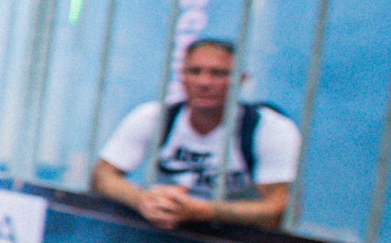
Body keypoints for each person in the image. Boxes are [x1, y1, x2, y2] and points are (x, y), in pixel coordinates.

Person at [91, 37, 300, 229]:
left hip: (235, 242)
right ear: (181, 75)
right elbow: (102, 176)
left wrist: (203, 211)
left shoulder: (271, 129)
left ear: (242, 79)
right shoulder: (153, 117)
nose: (204, 83)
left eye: (218, 73)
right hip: (161, 231)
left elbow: (279, 209)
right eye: (194, 71)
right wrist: (143, 200)